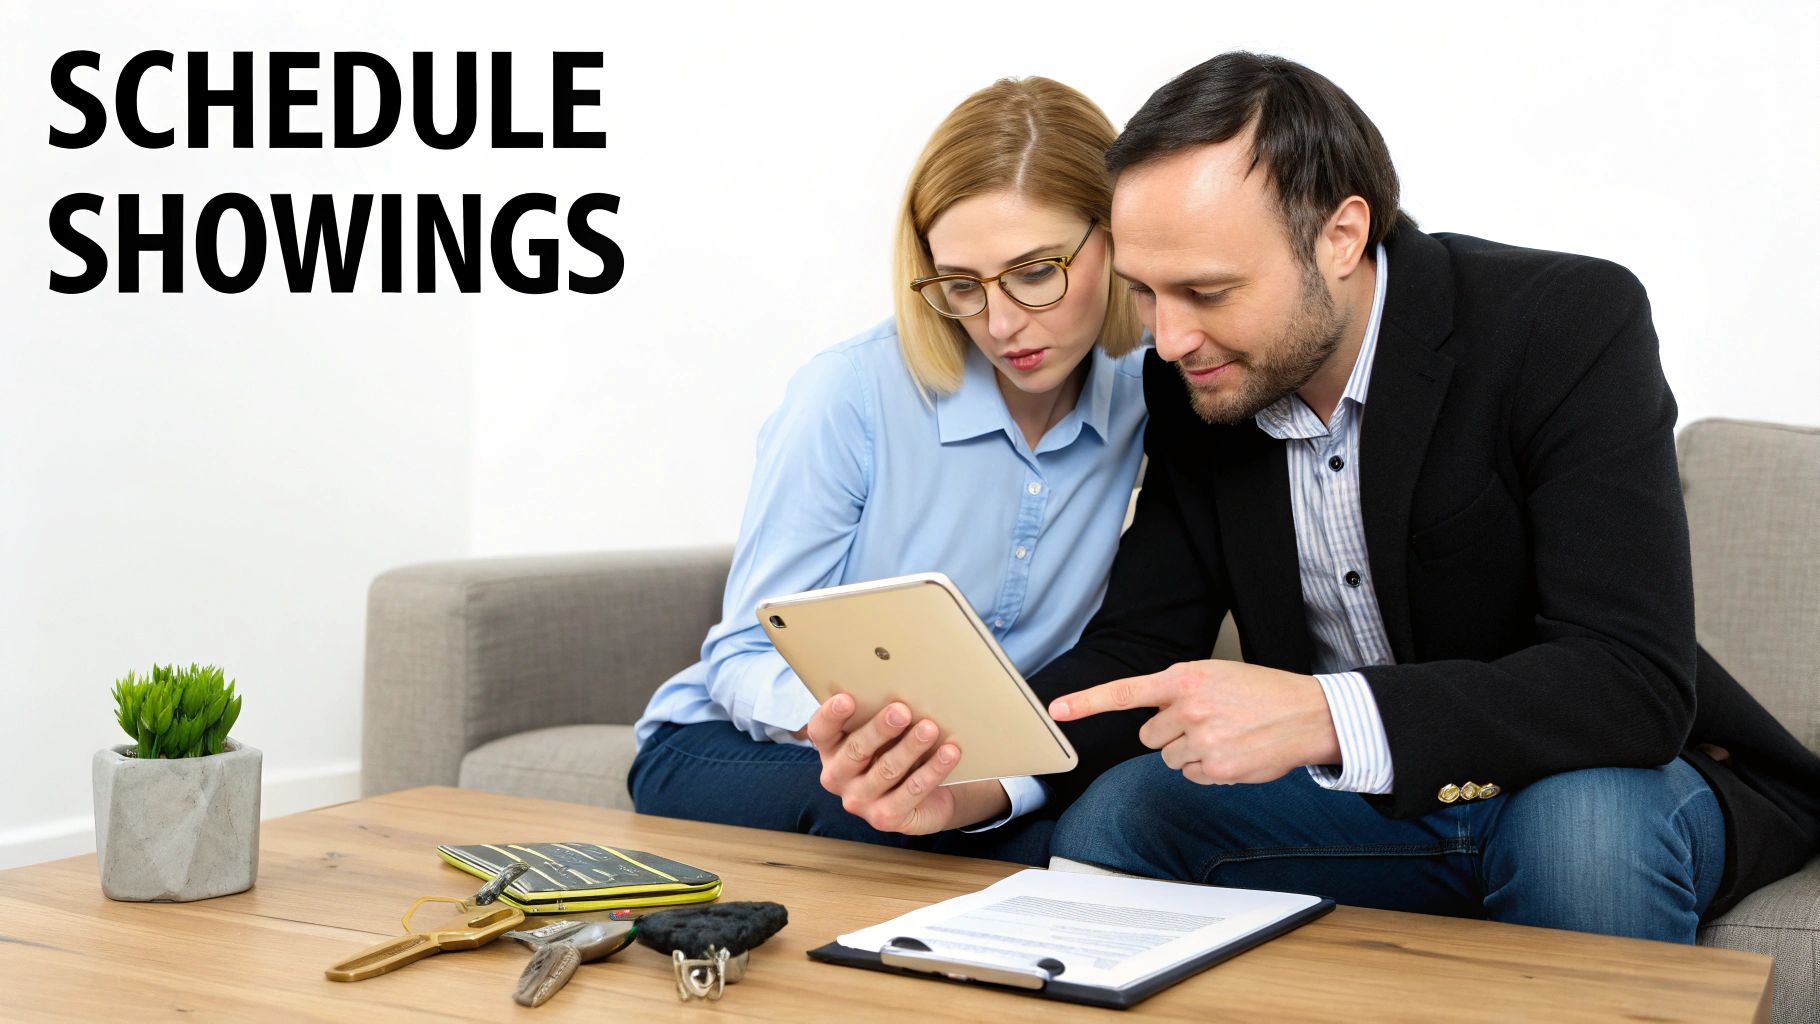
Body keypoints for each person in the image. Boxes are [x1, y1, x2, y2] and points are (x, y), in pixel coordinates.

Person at [804, 52, 1820, 940]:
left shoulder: (1562, 322)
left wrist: (1327, 712)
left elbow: (1626, 680)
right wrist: (981, 773)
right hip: (1369, 808)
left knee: (1580, 831)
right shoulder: (1190, 379)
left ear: (1340, 235)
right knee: (1120, 817)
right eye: (1147, 293)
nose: (1165, 339)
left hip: (1591, 775)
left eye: (1205, 291)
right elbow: (1136, 647)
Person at [627, 77, 1148, 866]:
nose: (1000, 323)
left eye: (1036, 273)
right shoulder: (851, 393)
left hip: (970, 767)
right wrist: (859, 730)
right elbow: (739, 658)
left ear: (1117, 237)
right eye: (961, 286)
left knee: (1097, 837)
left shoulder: (1156, 392)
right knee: (913, 824)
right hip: (725, 745)